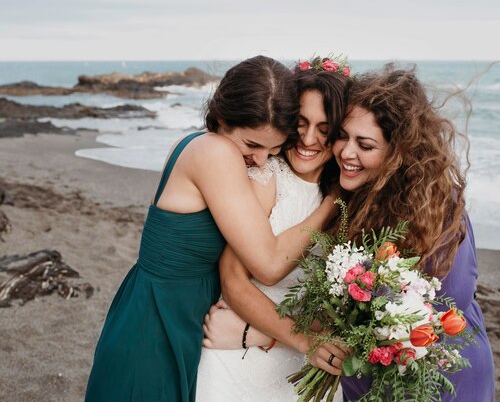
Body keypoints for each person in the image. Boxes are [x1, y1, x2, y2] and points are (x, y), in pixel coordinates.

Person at [84, 56, 339, 402]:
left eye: (274, 149)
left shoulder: (202, 144)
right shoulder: (215, 153)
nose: (261, 160)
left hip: (179, 311)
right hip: (159, 318)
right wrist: (331, 204)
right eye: (252, 145)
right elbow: (268, 264)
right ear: (221, 118)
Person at [333, 68, 495, 402]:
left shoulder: (437, 206)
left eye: (364, 144)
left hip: (436, 374)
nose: (346, 153)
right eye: (342, 136)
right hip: (367, 379)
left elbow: (451, 299)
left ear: (398, 151)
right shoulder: (348, 190)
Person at [196, 59, 350, 402]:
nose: (309, 139)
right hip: (238, 363)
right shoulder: (264, 178)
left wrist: (264, 335)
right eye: (301, 123)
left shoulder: (352, 199)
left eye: (325, 129)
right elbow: (233, 281)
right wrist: (300, 339)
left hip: (304, 361)